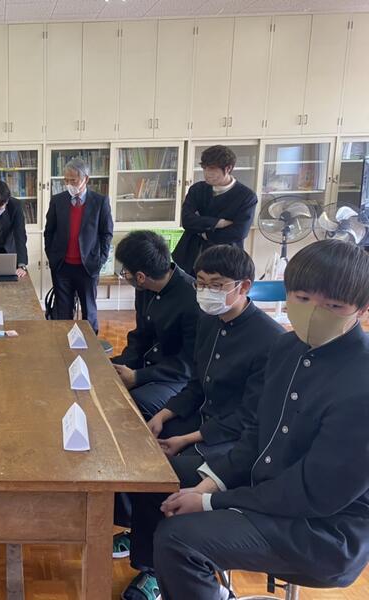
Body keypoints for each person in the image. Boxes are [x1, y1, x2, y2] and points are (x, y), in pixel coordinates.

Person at [153, 239, 369, 600]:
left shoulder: (362, 381)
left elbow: (313, 493)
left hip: (323, 531)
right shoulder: (286, 348)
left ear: (361, 308)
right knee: (157, 480)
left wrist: (211, 502)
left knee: (178, 541)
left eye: (333, 305)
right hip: (268, 492)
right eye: (302, 298)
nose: (314, 313)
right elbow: (258, 433)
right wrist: (210, 484)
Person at [115, 245, 285, 600]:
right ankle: (140, 532)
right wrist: (163, 415)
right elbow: (196, 384)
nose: (207, 292)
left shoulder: (271, 339)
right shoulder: (210, 321)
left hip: (233, 442)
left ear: (244, 286)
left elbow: (249, 418)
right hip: (201, 420)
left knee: (159, 476)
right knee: (135, 446)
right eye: (201, 283)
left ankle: (153, 570)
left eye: (217, 285)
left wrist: (186, 438)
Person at [110, 231, 199, 420]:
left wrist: (137, 377)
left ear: (140, 276)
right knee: (104, 377)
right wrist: (122, 366)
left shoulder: (193, 299)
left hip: (177, 378)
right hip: (148, 366)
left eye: (126, 271)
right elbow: (140, 336)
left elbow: (187, 364)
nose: (125, 274)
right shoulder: (145, 288)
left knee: (133, 404)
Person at [44, 157, 114, 334]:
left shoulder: (100, 202)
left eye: (73, 180)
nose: (69, 184)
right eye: (66, 180)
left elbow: (106, 234)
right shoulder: (57, 200)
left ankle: (91, 346)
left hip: (88, 266)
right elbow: (49, 231)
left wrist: (100, 260)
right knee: (62, 312)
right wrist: (52, 257)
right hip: (62, 266)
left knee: (89, 311)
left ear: (85, 179)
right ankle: (63, 344)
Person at [172, 145, 258, 276]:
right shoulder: (197, 189)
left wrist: (204, 232)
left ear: (228, 168)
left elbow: (239, 232)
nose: (207, 173)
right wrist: (219, 223)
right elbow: (187, 221)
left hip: (225, 257)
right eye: (204, 168)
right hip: (190, 254)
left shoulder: (246, 196)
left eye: (212, 169)